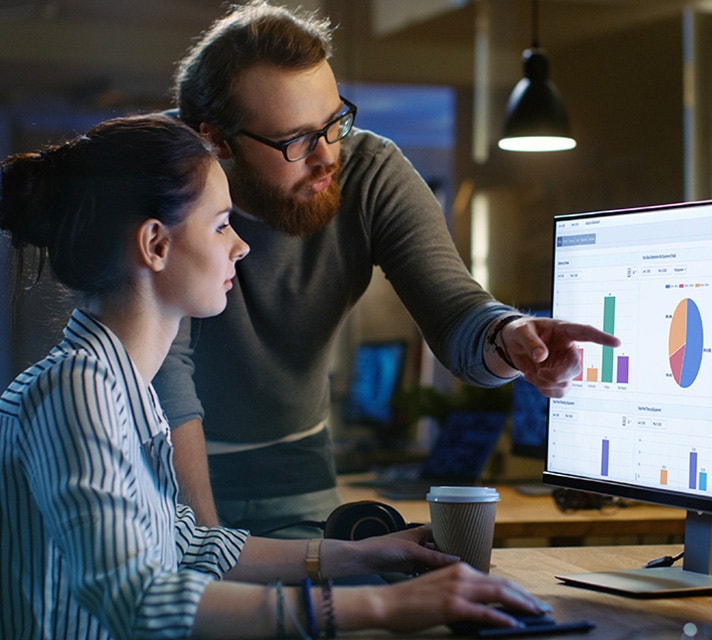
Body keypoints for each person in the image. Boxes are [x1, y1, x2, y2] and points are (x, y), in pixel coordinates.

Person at [0, 114, 551, 638]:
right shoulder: (76, 389)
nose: (239, 246)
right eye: (220, 226)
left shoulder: (118, 387)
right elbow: (138, 597)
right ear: (156, 244)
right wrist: (387, 604)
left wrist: (367, 554)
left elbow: (188, 547)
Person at [154, 0, 620, 534]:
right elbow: (167, 379)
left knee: (342, 604)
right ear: (215, 140)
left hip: (294, 464)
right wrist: (208, 546)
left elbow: (453, 310)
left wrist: (508, 334)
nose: (328, 155)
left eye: (333, 123)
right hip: (161, 460)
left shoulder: (372, 173)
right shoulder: (155, 175)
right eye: (296, 139)